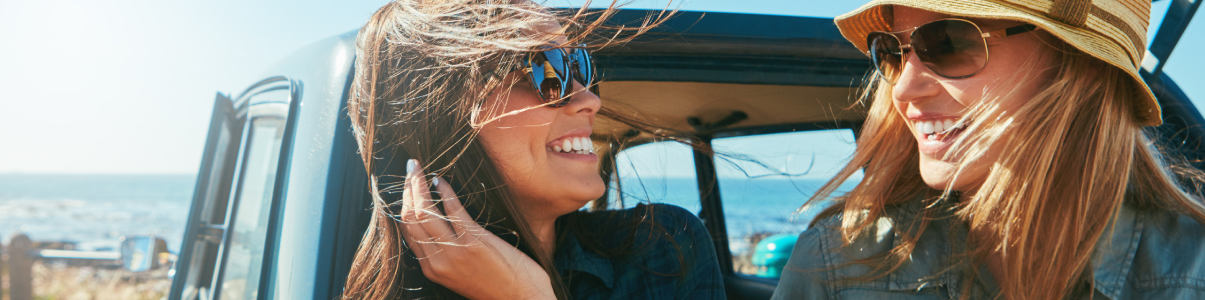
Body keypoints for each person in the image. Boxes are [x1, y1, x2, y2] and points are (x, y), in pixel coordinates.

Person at [773, 0, 1205, 299]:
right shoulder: (838, 266)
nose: (903, 88)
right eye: (891, 51)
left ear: (1077, 65)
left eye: (948, 43)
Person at [340, 1, 725, 299]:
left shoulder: (664, 251)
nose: (589, 99)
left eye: (580, 66)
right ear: (438, 115)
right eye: (546, 68)